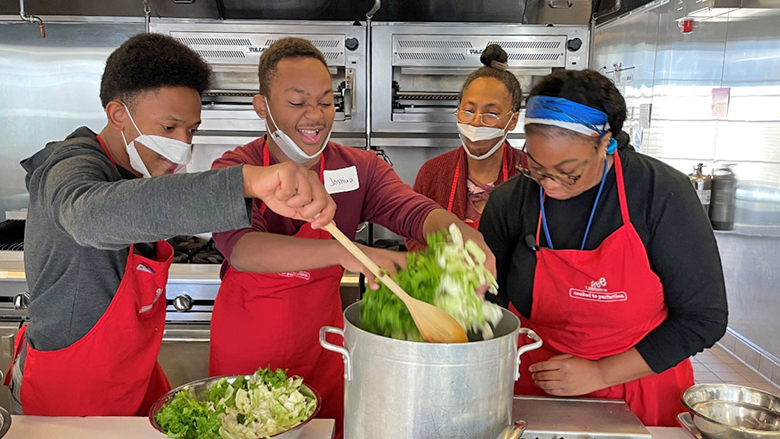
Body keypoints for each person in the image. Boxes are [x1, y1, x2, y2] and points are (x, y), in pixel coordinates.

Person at [5, 33, 335, 417]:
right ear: (117, 115)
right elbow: (90, 217)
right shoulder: (69, 165)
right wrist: (246, 181)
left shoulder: (133, 172)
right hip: (69, 388)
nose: (182, 145)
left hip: (134, 376)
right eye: (169, 128)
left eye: (191, 131)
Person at [207, 37, 495, 438]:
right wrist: (345, 252)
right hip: (249, 347)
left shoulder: (359, 168)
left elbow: (413, 211)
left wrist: (459, 235)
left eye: (326, 102)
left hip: (323, 347)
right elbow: (243, 250)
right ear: (262, 107)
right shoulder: (237, 169)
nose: (316, 115)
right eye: (297, 102)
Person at [479, 69, 728, 426]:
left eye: (569, 171)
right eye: (535, 167)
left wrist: (602, 373)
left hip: (639, 384)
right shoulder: (512, 201)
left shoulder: (659, 194)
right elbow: (490, 301)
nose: (549, 185)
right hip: (536, 380)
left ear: (605, 142)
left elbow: (704, 318)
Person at [407, 45, 524, 250]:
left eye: (491, 113)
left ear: (512, 121)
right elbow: (414, 234)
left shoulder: (529, 174)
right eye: (468, 111)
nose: (476, 122)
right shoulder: (432, 173)